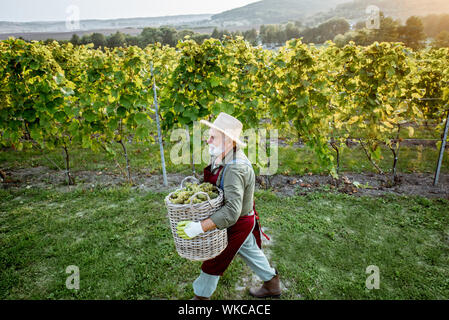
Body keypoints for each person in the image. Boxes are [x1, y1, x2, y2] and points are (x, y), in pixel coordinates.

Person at [176, 112, 281, 300]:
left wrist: (198, 227)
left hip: (237, 222)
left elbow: (232, 212)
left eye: (213, 137)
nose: (207, 141)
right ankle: (272, 284)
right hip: (241, 218)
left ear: (229, 141)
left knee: (216, 260)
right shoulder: (222, 156)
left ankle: (200, 298)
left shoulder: (235, 168)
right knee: (248, 249)